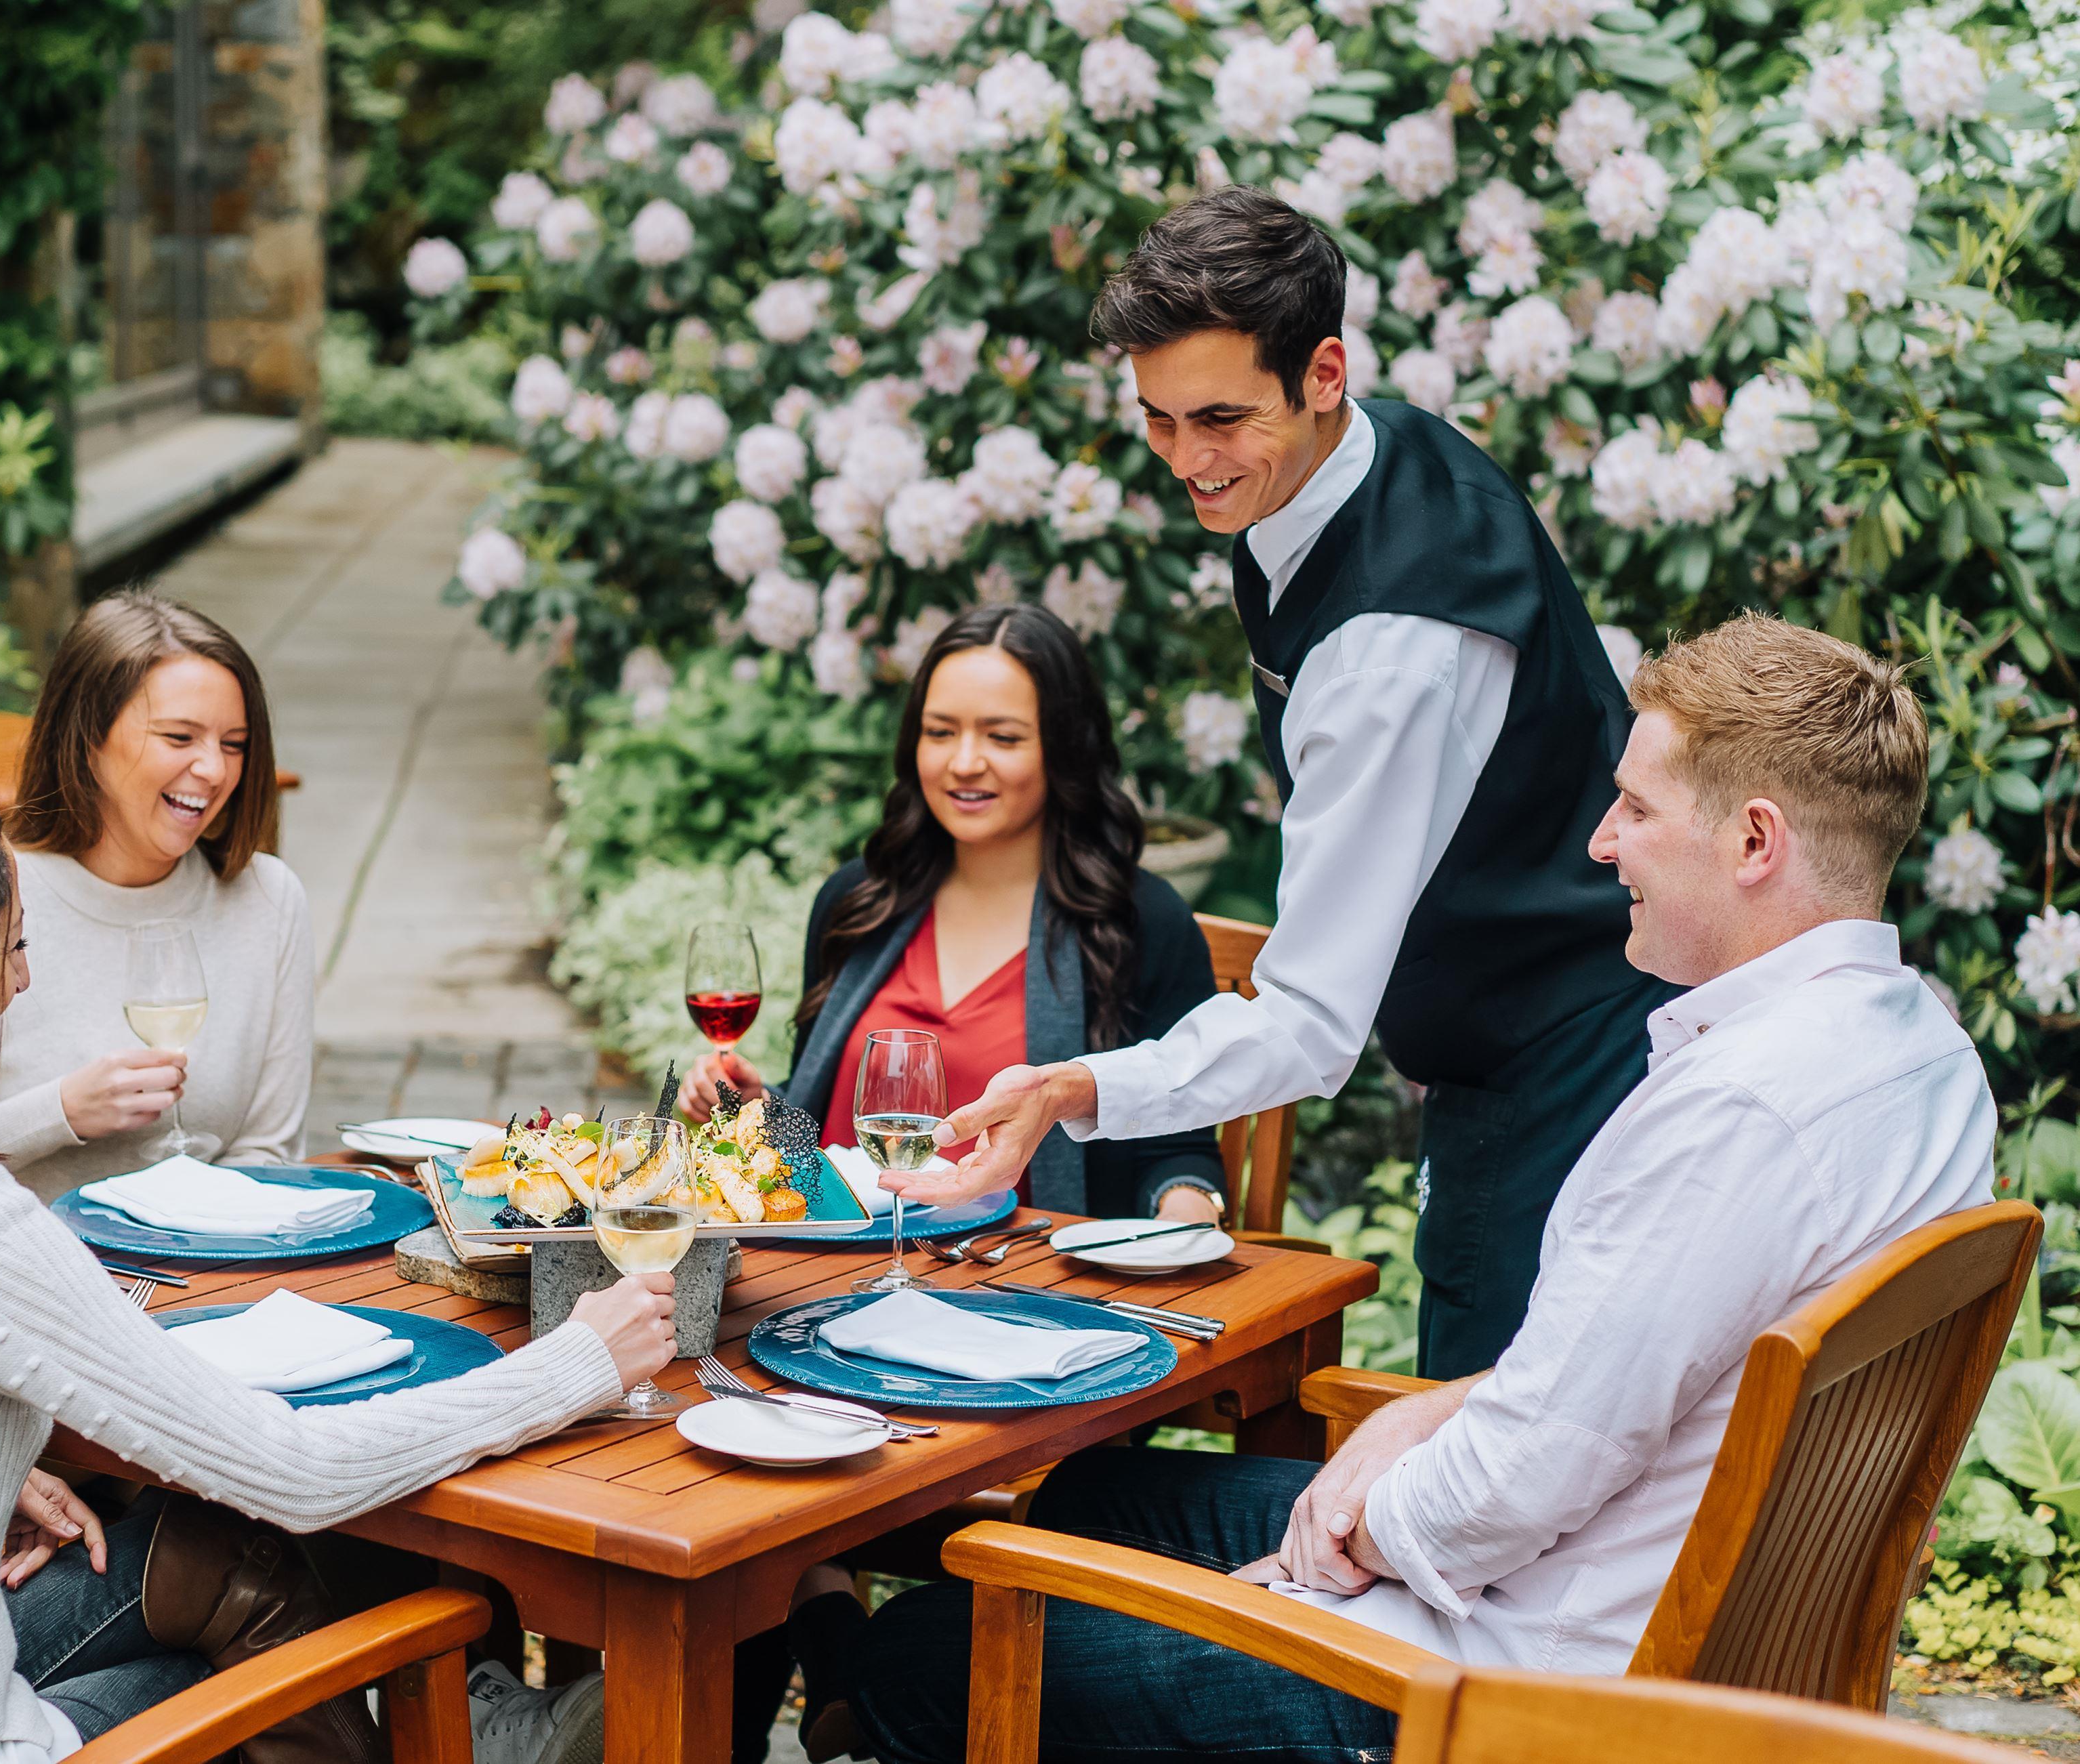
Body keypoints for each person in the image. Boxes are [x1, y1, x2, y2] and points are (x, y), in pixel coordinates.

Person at [785, 615, 1993, 1764]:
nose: (1599, 841)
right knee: (1098, 1486)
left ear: (1752, 841)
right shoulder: (1918, 1058)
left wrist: (1338, 1544)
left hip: (1513, 1682)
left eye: (1633, 805)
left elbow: (1510, 1486)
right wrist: (1417, 1417)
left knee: (922, 1656)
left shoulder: (1733, 1110)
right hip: (1648, 1597)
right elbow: (1628, 1374)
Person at [0, 760, 674, 1764]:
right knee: (255, 1639)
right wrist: (578, 1360)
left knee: (207, 1555)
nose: (22, 987)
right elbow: (295, 1474)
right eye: (10, 948)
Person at [918, 188, 1679, 1377]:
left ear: (1322, 370)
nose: (1187, 461)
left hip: (1555, 1071)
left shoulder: (1391, 654)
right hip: (1539, 1031)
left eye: (1219, 416)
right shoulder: (1368, 457)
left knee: (1487, 1463)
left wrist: (1070, 1084)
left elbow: (1311, 1024)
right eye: (1157, 420)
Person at [679, 602, 1227, 1223]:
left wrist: (1184, 1232)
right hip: (835, 1263)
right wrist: (759, 1106)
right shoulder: (859, 903)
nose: (964, 762)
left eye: (1003, 737)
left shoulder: (1137, 922)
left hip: (1026, 1286)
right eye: (940, 732)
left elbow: (1181, 1155)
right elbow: (831, 1133)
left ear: (1063, 748)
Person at [0, 589, 310, 1197]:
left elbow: (269, 1153)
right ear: (87, 737)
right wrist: (59, 1112)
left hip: (212, 1269)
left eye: (234, 744)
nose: (215, 770)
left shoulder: (268, 899)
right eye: (179, 737)